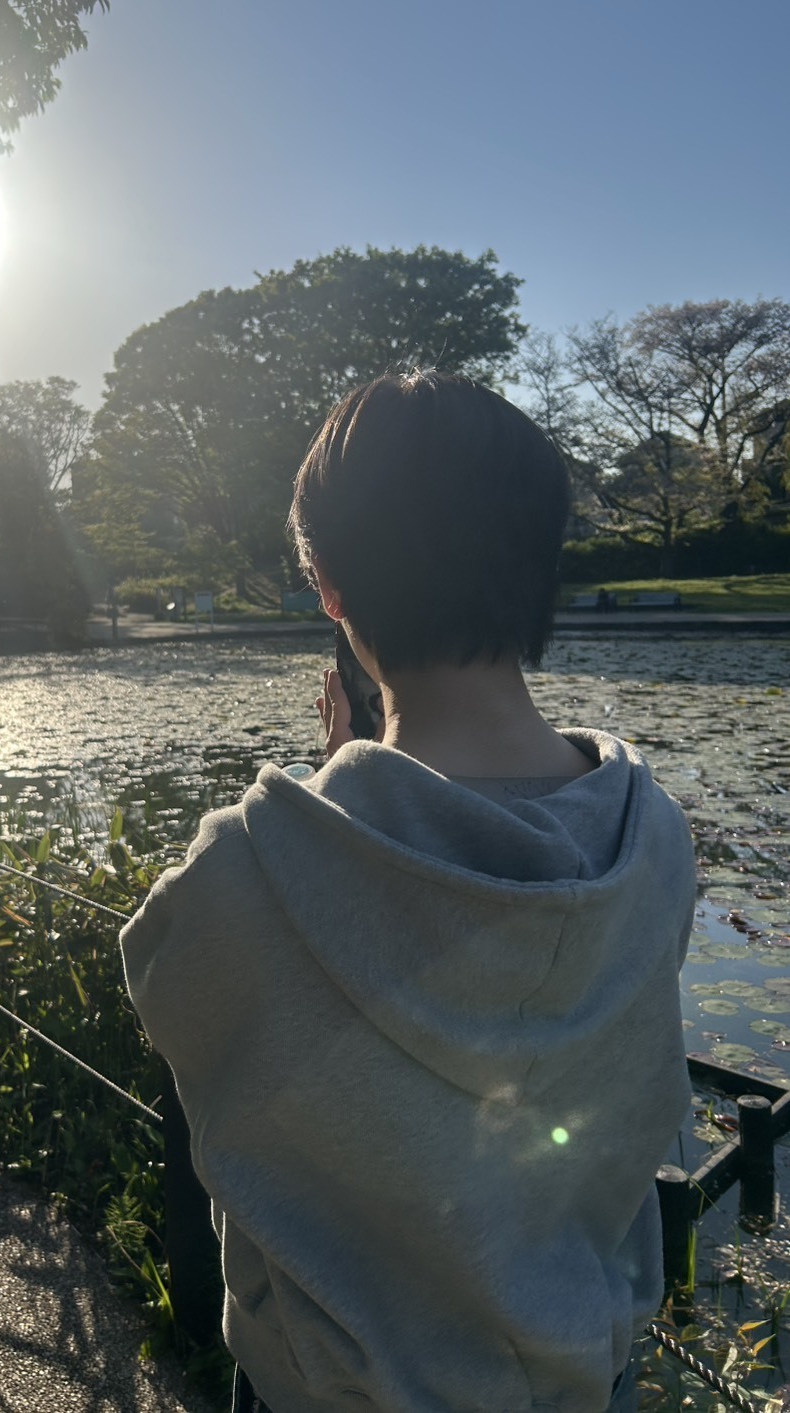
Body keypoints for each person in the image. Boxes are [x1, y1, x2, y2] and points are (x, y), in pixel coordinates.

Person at [120, 370, 695, 1413]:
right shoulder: (649, 836)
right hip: (581, 1381)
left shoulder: (254, 862)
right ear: (540, 563)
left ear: (328, 585)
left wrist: (339, 780)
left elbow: (168, 989)